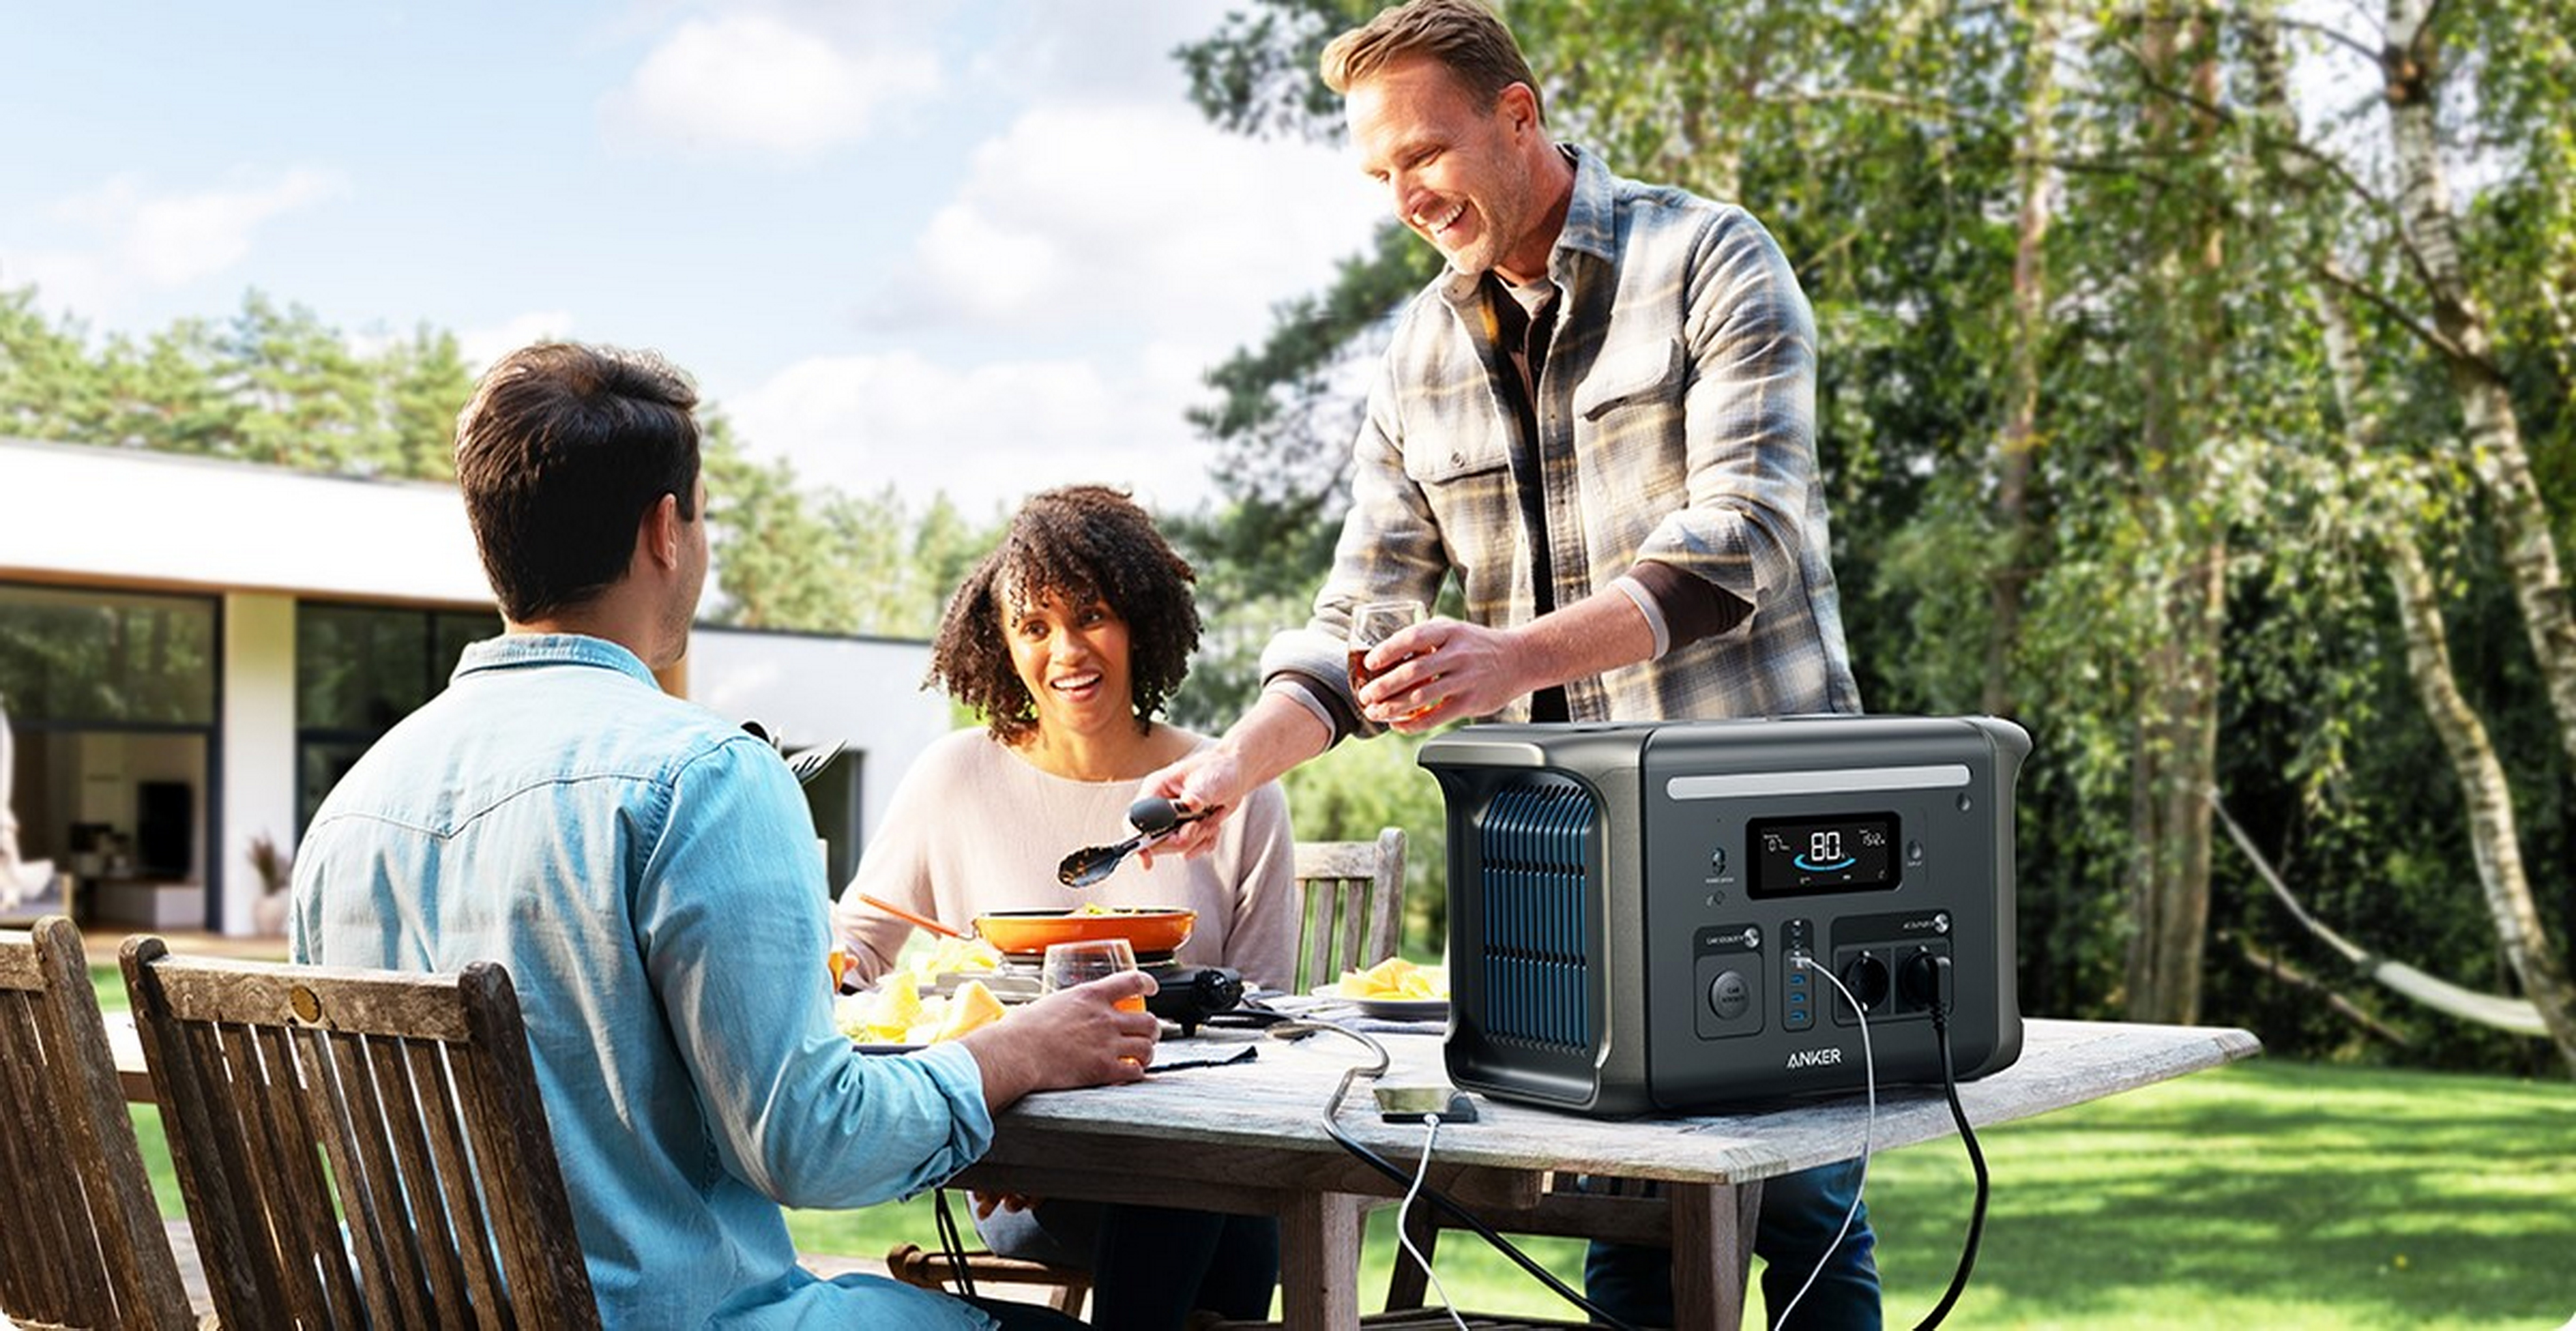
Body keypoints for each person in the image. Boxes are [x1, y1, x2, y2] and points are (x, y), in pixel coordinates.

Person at [1140, 2, 1877, 1326]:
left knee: (1804, 1205)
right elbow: (1362, 605)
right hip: (1576, 849)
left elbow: (1742, 536)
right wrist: (1229, 767)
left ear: (1518, 115)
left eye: (1424, 154)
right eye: (1379, 176)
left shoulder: (1707, 257)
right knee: (1626, 1205)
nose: (1407, 197)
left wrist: (1508, 659)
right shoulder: (1418, 353)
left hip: (1758, 818)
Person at [292, 342, 1157, 1331]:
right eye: (702, 515)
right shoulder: (703, 775)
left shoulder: (351, 806)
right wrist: (1016, 1052)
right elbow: (808, 1143)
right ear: (667, 529)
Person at [835, 484, 1295, 1329]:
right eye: (1034, 627)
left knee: (1200, 1198)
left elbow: (1267, 1015)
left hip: (1202, 1156)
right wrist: (843, 971)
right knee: (1210, 1235)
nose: (1066, 649)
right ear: (1001, 644)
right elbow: (857, 942)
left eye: (1090, 616)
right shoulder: (954, 777)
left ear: (1140, 621)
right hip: (1037, 1167)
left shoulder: (1229, 791)